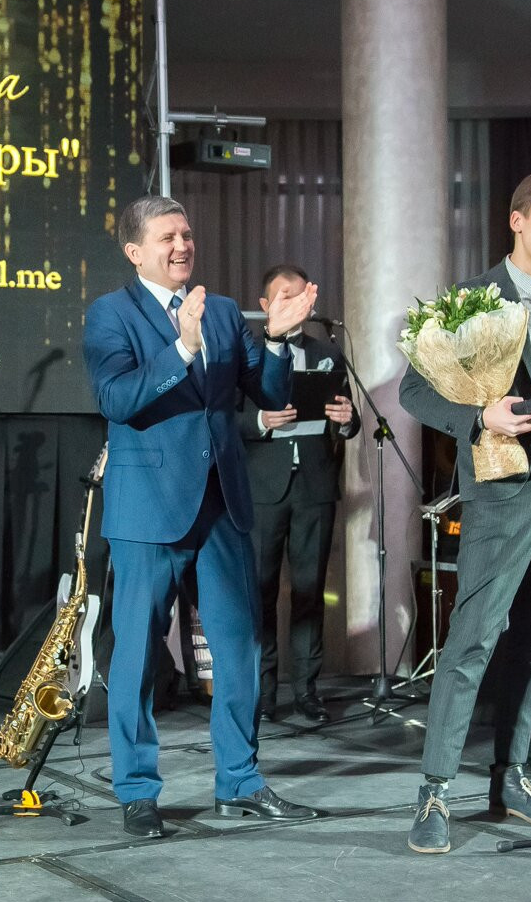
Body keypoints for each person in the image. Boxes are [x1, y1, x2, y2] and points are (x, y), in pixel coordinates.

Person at [82, 195, 317, 839]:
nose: (182, 245)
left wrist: (278, 339)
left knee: (238, 648)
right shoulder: (110, 314)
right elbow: (117, 399)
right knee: (137, 656)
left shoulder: (221, 311)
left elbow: (268, 394)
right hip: (147, 508)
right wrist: (181, 350)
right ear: (135, 251)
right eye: (168, 237)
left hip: (222, 503)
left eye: (186, 234)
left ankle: (239, 782)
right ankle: (137, 792)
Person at [399, 169, 531, 853]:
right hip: (499, 488)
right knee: (474, 639)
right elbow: (414, 392)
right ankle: (435, 790)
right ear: (516, 220)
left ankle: (510, 777)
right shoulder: (473, 299)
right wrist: (478, 416)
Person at [240, 265, 360, 724]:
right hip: (262, 488)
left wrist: (347, 419)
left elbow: (349, 420)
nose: (294, 305)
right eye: (283, 297)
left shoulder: (327, 351)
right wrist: (259, 421)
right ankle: (263, 691)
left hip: (314, 484)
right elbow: (226, 419)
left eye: (299, 297)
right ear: (266, 306)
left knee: (310, 593)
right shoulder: (246, 352)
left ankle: (307, 690)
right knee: (261, 592)